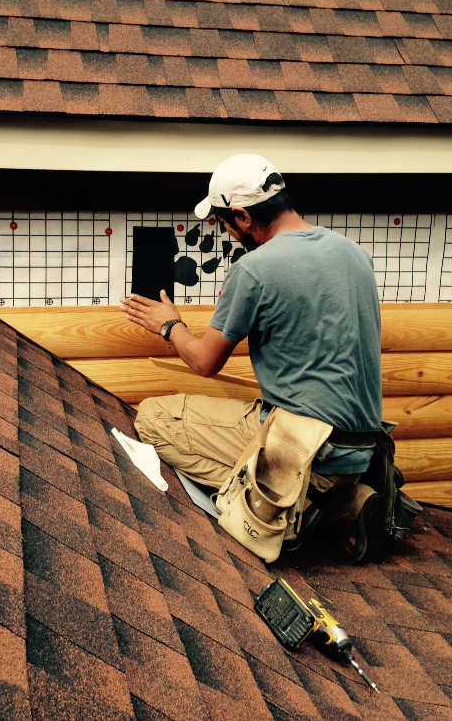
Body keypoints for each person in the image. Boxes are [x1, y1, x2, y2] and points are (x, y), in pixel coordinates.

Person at [120, 153, 386, 563]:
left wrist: (170, 325)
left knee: (154, 416)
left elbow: (206, 363)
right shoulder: (354, 255)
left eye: (224, 223)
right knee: (254, 415)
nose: (227, 233)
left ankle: (284, 507)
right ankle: (343, 506)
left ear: (243, 216)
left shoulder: (256, 269)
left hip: (304, 450)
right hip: (359, 452)